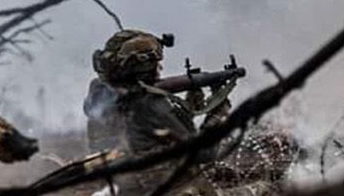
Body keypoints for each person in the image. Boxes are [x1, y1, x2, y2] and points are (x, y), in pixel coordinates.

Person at [83, 29, 233, 157]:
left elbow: (150, 127)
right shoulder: (150, 103)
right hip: (150, 185)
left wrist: (189, 104)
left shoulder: (100, 90)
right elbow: (203, 154)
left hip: (110, 178)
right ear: (144, 66)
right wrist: (218, 114)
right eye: (156, 62)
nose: (159, 67)